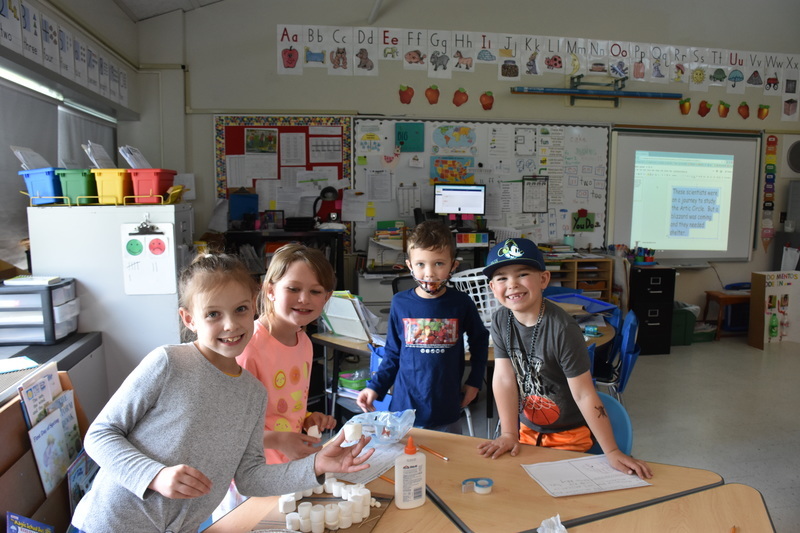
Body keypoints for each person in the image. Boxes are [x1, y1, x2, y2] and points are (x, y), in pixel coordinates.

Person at [70, 254, 373, 533]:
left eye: (240, 309)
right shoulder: (169, 363)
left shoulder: (253, 393)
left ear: (253, 306)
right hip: (111, 524)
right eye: (213, 314)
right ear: (189, 319)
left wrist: (316, 465)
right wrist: (155, 475)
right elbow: (100, 434)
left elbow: (250, 476)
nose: (230, 325)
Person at [476, 238, 652, 479]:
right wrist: (508, 433)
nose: (512, 284)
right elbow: (504, 379)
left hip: (569, 436)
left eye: (523, 274)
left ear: (543, 279)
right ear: (492, 287)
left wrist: (612, 451)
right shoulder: (500, 320)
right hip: (527, 431)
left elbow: (584, 394)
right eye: (502, 278)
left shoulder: (562, 329)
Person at [357, 220, 489, 433]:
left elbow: (480, 341)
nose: (429, 273)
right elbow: (393, 353)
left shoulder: (462, 303)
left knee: (446, 453)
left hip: (446, 407)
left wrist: (474, 382)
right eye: (420, 264)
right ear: (409, 265)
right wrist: (375, 386)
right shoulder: (400, 303)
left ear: (453, 265)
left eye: (439, 263)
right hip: (403, 409)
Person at [238, 243, 337, 465]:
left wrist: (307, 418)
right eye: (293, 289)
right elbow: (230, 429)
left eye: (315, 291)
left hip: (288, 466)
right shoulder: (248, 347)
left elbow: (279, 409)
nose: (304, 299)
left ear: (326, 297)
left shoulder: (304, 342)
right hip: (254, 470)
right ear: (270, 290)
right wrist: (280, 440)